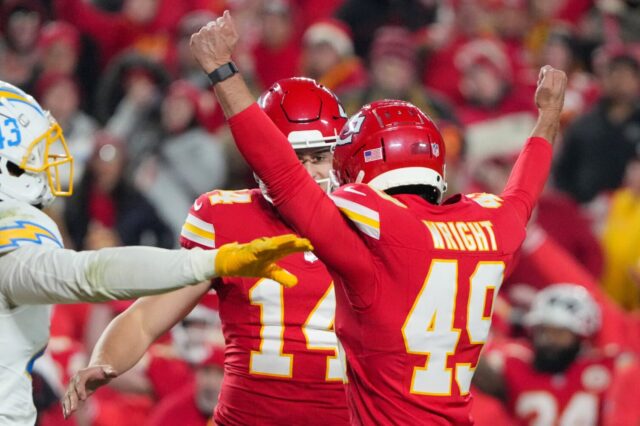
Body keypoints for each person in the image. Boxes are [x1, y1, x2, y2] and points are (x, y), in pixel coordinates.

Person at [187, 11, 567, 424]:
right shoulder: (493, 228)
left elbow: (283, 176)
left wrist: (223, 73)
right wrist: (548, 117)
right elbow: (523, 193)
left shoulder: (375, 243)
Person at [0, 80, 311, 425]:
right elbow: (88, 273)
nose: (46, 161)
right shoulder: (11, 235)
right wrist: (211, 260)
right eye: (32, 154)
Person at [473, 284, 640, 425]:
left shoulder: (610, 367)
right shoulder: (513, 360)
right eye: (543, 331)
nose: (547, 340)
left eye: (559, 333)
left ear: (582, 336)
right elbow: (477, 364)